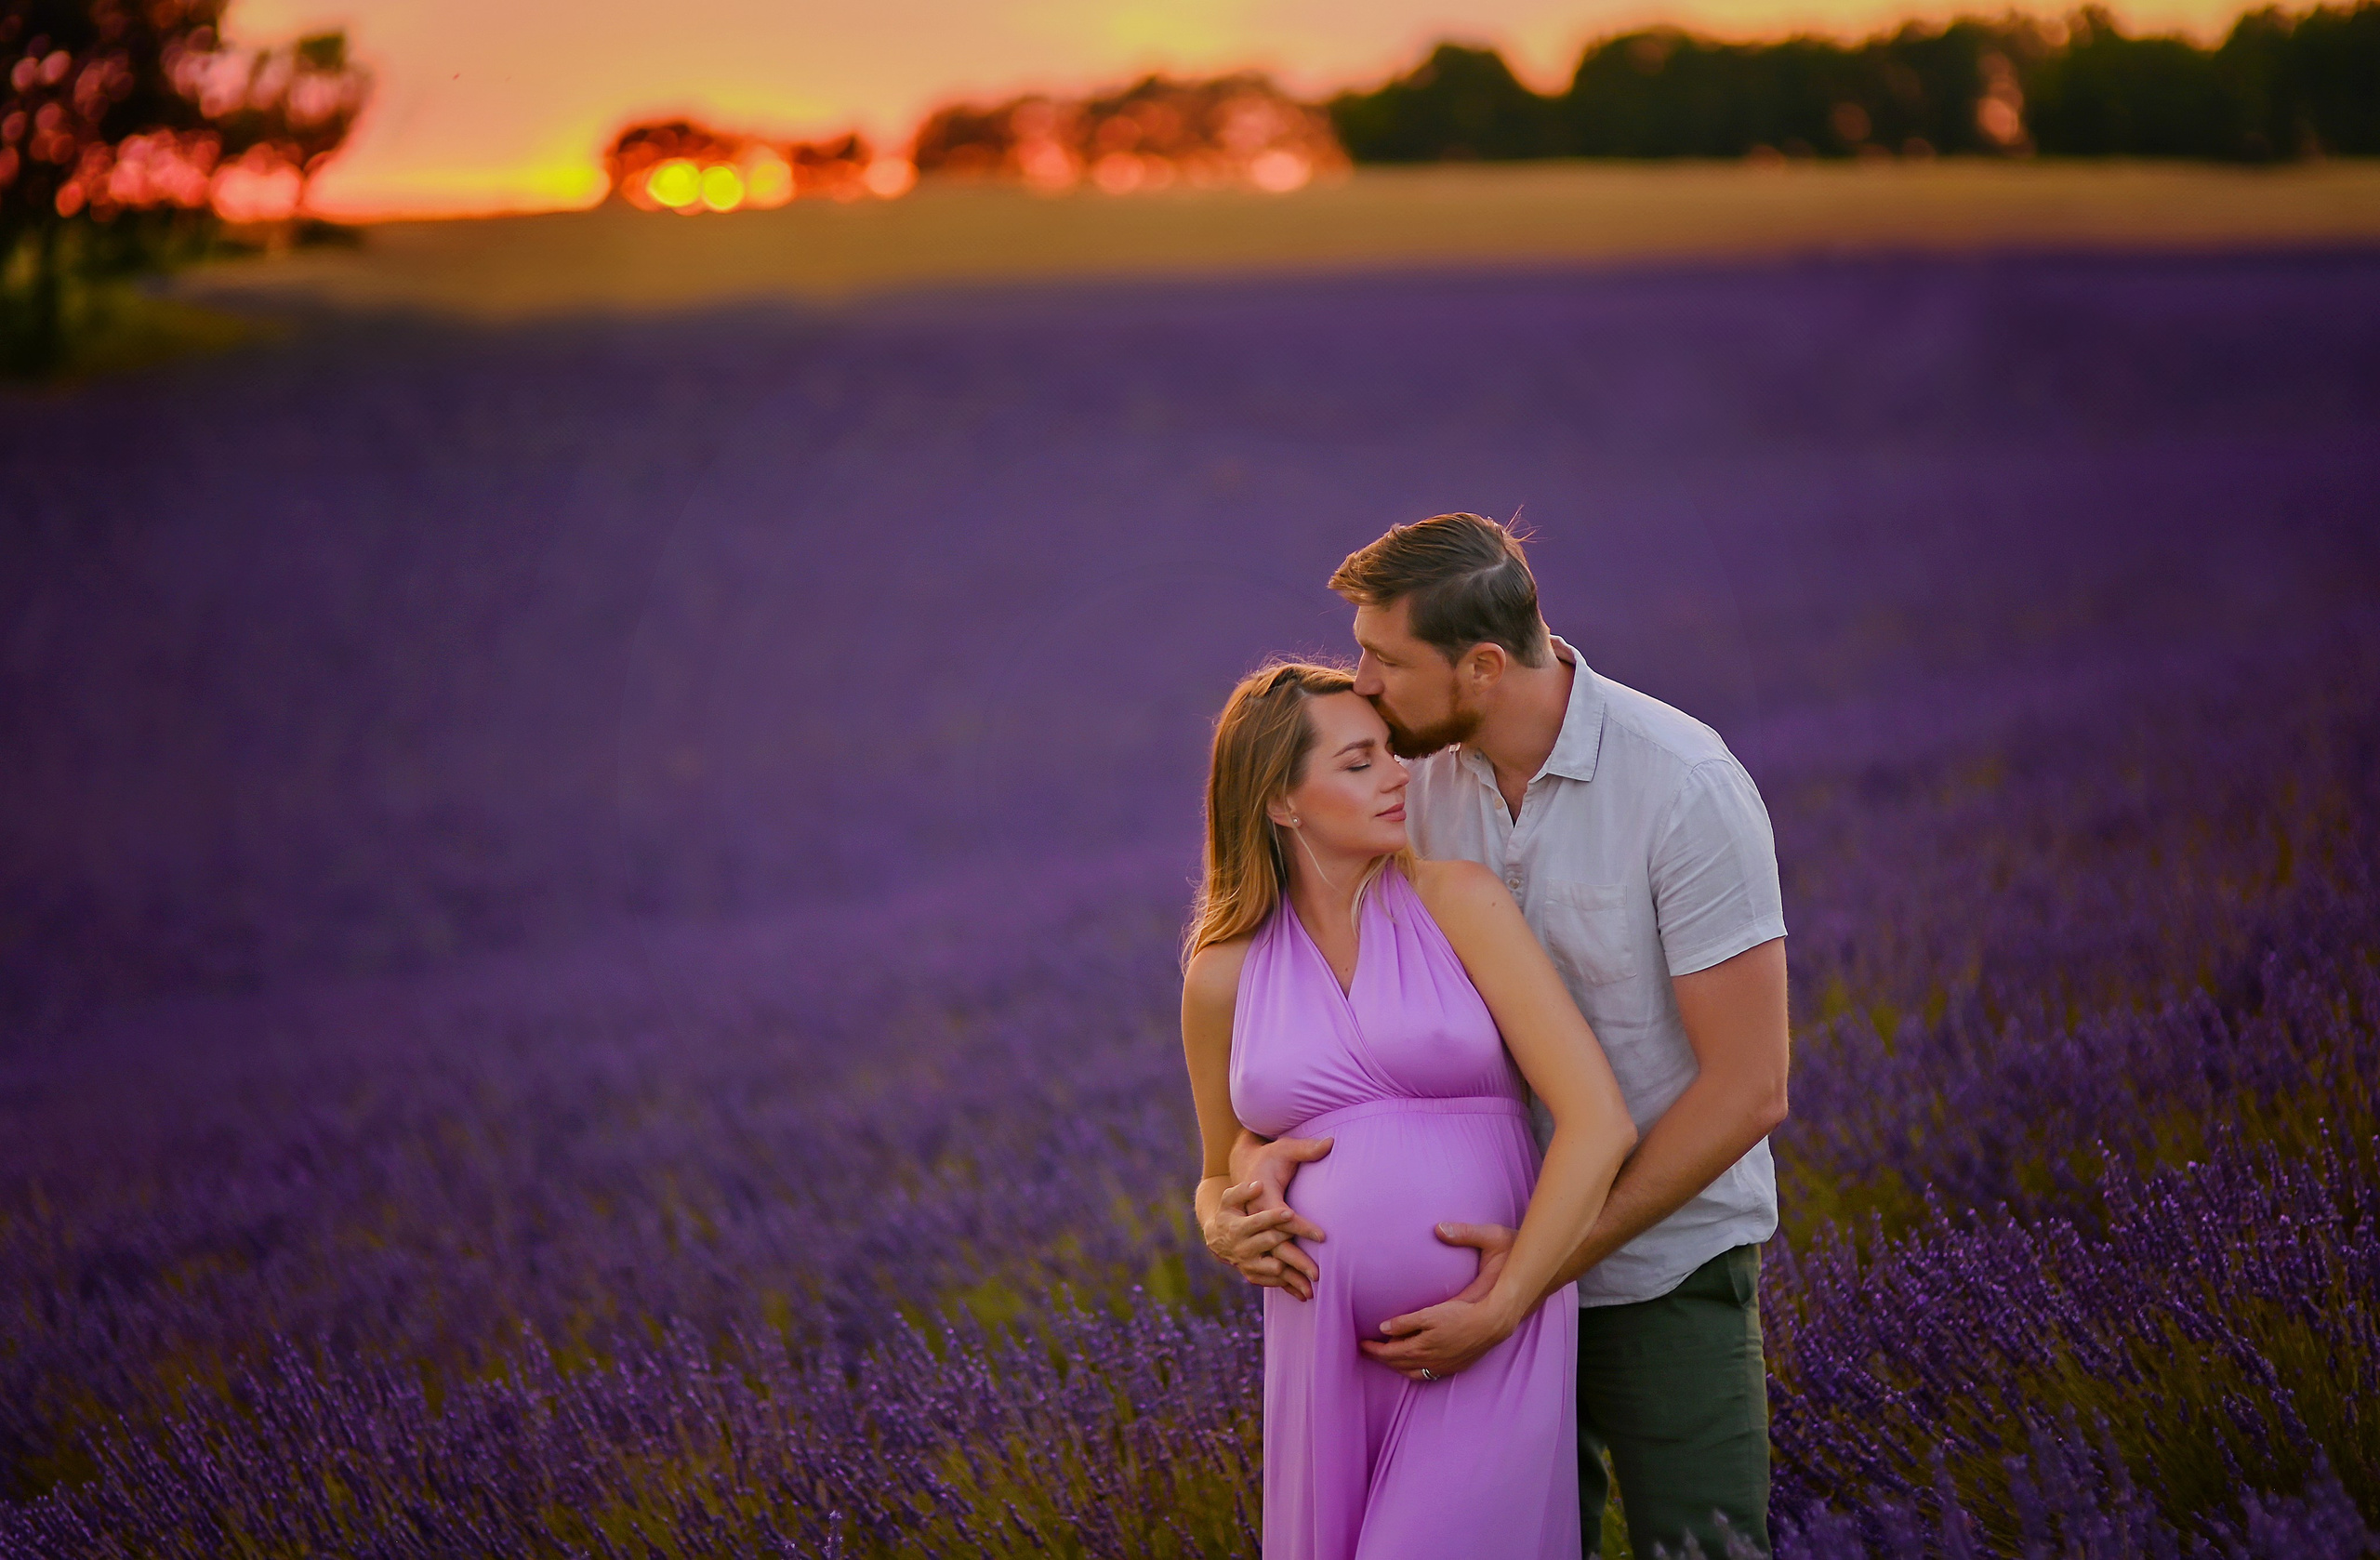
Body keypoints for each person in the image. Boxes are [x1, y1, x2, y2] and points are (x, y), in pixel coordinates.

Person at [1203, 515, 1792, 1560]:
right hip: (1447, 1316)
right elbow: (1322, 1067)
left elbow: (1746, 1089)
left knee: (1703, 1549)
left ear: (1479, 665)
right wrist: (1237, 1192)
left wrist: (1529, 1274)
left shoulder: (1681, 785)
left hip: (1660, 1268)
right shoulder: (1404, 787)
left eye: (1384, 661)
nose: (1365, 686)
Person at [1182, 661, 1639, 1560]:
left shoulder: (1457, 901)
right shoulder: (1222, 974)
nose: (1400, 774)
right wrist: (1221, 1219)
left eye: (1392, 751)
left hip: (1486, 1330)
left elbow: (1599, 1121)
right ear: (1281, 801)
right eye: (1360, 762)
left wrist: (1506, 1303)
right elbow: (1216, 1164)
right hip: (1326, 1354)